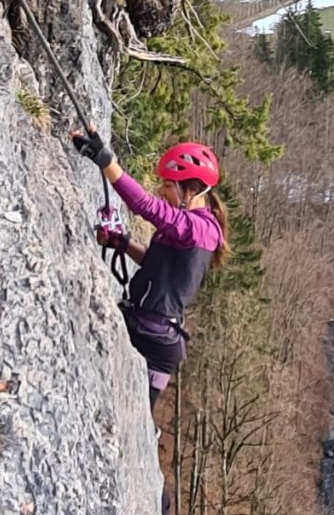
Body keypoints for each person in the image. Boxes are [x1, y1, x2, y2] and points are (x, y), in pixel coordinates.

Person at [71, 127, 230, 412]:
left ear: (191, 190)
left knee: (127, 415)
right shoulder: (189, 228)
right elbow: (156, 264)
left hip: (153, 339)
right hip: (149, 331)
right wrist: (123, 243)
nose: (162, 191)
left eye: (169, 186)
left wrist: (108, 163)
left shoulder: (201, 229)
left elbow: (145, 205)